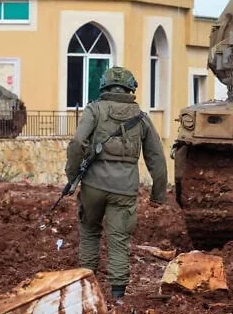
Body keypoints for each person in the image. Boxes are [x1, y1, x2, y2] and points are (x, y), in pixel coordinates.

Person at [65, 66, 167, 305]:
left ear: (104, 86)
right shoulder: (141, 117)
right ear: (131, 88)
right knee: (118, 240)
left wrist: (72, 178)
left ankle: (85, 291)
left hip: (93, 186)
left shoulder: (94, 109)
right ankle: (118, 297)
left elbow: (78, 142)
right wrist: (158, 194)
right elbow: (157, 159)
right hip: (124, 190)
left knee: (89, 233)